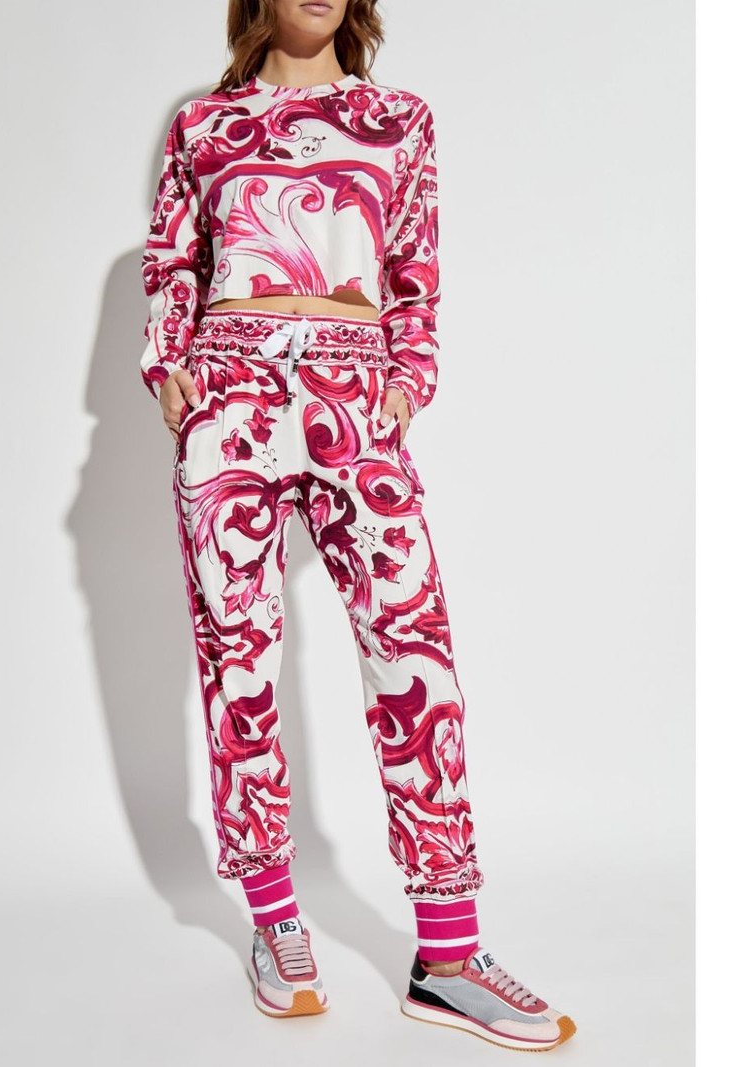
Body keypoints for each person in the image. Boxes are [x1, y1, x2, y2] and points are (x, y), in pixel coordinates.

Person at [139, 0, 575, 1051]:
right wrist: (171, 370)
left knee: (412, 648)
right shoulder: (202, 125)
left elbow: (414, 270)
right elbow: (169, 263)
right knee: (239, 654)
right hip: (232, 395)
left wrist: (407, 377)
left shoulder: (399, 120)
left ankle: (448, 955)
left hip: (353, 392)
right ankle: (275, 919)